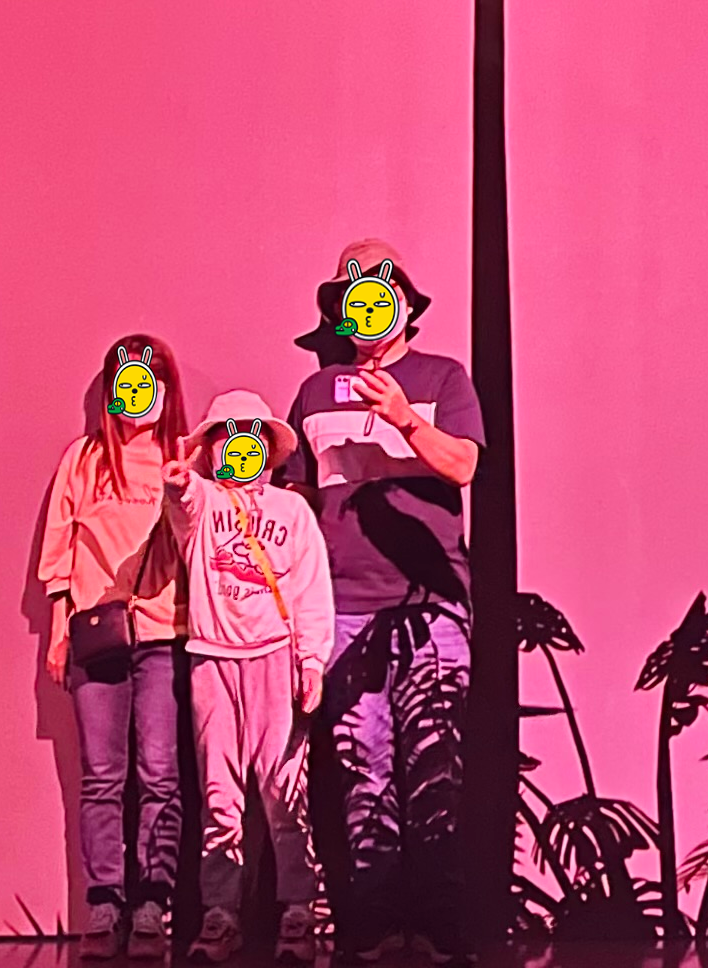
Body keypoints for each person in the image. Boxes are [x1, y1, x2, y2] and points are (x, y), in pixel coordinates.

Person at [281, 240, 483, 965]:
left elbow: (464, 464)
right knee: (361, 774)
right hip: (344, 610)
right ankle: (373, 930)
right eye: (351, 292)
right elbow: (296, 497)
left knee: (434, 767)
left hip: (431, 610)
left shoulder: (441, 376)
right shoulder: (315, 392)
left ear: (403, 300)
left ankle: (437, 932)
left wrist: (404, 418)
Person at [159, 391, 333, 964]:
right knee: (219, 795)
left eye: (249, 435)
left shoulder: (293, 511)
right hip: (212, 659)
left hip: (275, 660)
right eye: (226, 436)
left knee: (284, 794)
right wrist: (179, 484)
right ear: (212, 447)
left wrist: (311, 663)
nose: (239, 446)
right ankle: (221, 913)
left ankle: (299, 910)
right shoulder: (205, 500)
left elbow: (311, 594)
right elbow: (184, 506)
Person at [37, 335, 192, 959]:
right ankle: (105, 903)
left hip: (163, 635)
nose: (135, 394)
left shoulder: (182, 457)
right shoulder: (84, 458)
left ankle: (154, 902)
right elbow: (60, 550)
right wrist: (58, 632)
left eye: (146, 382)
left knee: (160, 774)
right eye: (125, 381)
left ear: (164, 390)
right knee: (102, 776)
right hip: (96, 634)